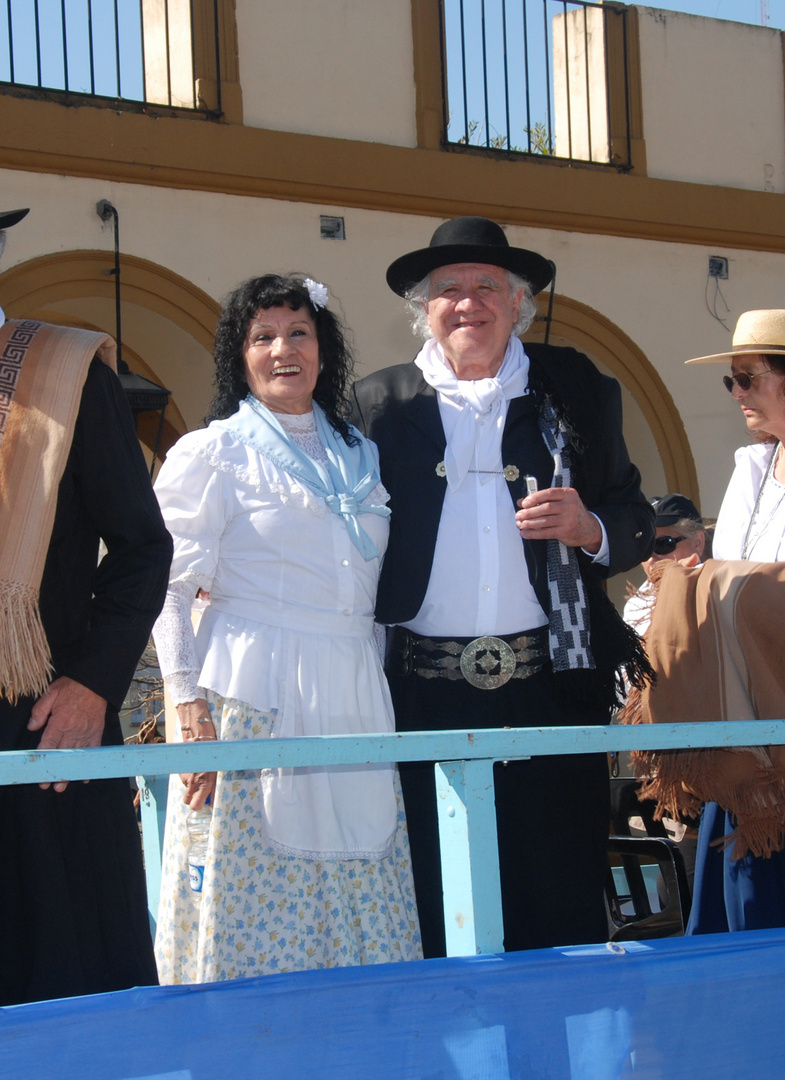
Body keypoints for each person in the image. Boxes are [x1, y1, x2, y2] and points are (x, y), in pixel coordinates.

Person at [349, 216, 655, 956]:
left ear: (520, 304)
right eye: (447, 289)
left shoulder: (575, 388)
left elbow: (633, 514)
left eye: (488, 287)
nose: (467, 303)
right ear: (422, 309)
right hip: (417, 692)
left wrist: (590, 528)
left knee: (557, 902)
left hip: (551, 685)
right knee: (432, 900)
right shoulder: (376, 404)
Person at [152, 273, 421, 984]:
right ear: (238, 356)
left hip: (352, 688)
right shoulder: (214, 454)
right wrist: (187, 703)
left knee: (361, 878)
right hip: (250, 690)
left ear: (323, 348)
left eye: (297, 332)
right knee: (252, 890)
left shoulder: (361, 454)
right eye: (262, 336)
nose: (282, 350)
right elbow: (169, 587)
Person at [0, 207, 172, 1005]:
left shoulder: (67, 371)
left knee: (60, 972)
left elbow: (141, 549)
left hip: (40, 719)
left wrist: (93, 686)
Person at [681, 308, 785, 933]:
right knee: (738, 902)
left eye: (749, 378)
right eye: (732, 382)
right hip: (746, 717)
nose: (737, 393)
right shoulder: (752, 469)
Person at [623, 493, 710, 635]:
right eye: (644, 548)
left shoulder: (719, 586)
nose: (650, 559)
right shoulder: (635, 607)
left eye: (663, 544)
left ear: (698, 542)